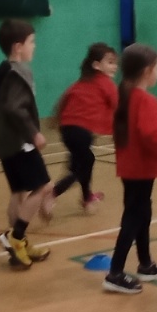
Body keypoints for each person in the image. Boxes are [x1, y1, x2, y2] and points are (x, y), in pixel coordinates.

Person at [0, 20, 56, 269]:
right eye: (31, 42)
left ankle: (20, 245)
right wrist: (34, 133)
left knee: (18, 191)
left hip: (3, 140)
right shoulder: (18, 72)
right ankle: (16, 237)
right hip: (19, 141)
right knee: (42, 186)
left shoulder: (1, 70)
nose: (34, 46)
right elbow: (14, 108)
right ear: (18, 47)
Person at [104, 44, 157, 295]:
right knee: (134, 217)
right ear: (146, 71)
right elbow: (148, 135)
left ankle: (145, 263)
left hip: (130, 167)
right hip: (141, 167)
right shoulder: (145, 100)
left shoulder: (125, 96)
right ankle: (115, 272)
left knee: (142, 212)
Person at [53, 43, 118, 213]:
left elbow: (63, 102)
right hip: (81, 132)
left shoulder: (82, 83)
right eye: (110, 62)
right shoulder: (105, 83)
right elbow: (119, 107)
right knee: (80, 167)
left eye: (115, 62)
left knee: (85, 160)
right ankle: (52, 193)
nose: (115, 66)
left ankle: (87, 198)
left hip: (68, 130)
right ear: (96, 65)